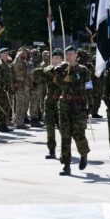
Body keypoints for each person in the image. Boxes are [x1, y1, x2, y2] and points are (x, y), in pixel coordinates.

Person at [54, 45, 92, 176]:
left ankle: (84, 153)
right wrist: (58, 70)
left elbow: (88, 87)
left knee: (79, 134)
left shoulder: (83, 70)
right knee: (65, 135)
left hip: (79, 105)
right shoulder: (61, 69)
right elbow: (58, 82)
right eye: (67, 54)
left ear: (76, 55)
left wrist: (90, 104)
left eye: (71, 54)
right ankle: (66, 164)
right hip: (64, 104)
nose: (69, 56)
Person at [41, 48, 64, 159]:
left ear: (62, 59)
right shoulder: (47, 70)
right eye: (53, 58)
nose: (55, 60)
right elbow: (38, 77)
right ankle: (51, 150)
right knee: (49, 127)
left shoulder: (66, 70)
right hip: (49, 101)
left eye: (57, 58)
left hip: (61, 103)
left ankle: (65, 150)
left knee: (62, 128)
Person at [0, 48, 14, 132]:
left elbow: (9, 77)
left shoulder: (6, 64)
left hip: (7, 89)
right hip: (1, 90)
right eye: (5, 54)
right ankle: (1, 125)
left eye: (7, 53)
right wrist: (4, 85)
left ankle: (4, 124)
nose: (7, 55)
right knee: (2, 107)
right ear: (1, 55)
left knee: (6, 107)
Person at [13, 47, 31, 129]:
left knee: (24, 105)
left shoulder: (24, 62)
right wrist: (18, 54)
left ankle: (21, 121)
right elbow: (16, 64)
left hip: (25, 87)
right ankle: (19, 123)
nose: (25, 54)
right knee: (20, 105)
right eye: (23, 53)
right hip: (19, 87)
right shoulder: (18, 61)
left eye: (26, 53)